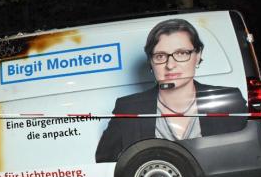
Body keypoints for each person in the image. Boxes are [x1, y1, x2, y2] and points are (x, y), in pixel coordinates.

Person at [95, 19, 246, 163]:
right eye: (160, 56)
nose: (170, 64)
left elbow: (248, 154)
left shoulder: (228, 100)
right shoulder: (128, 108)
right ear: (150, 61)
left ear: (198, 55)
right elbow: (105, 159)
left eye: (181, 53)